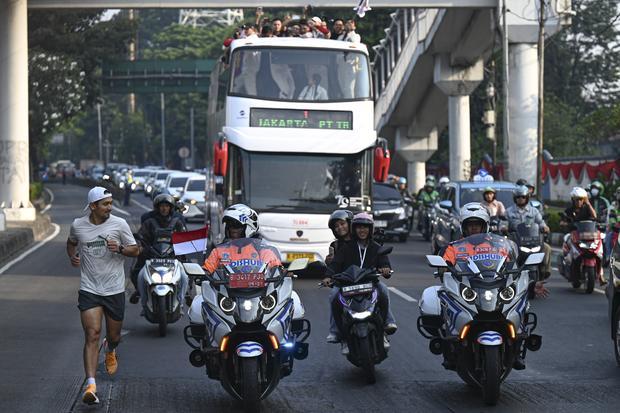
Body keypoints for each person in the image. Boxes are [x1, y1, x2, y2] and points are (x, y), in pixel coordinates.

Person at [66, 187, 139, 405]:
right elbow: (71, 243)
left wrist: (120, 249)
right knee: (92, 334)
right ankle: (90, 385)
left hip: (115, 289)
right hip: (90, 289)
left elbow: (136, 250)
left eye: (110, 203)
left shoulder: (119, 224)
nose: (110, 207)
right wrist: (73, 256)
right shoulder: (78, 225)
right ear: (93, 206)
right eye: (106, 204)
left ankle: (112, 348)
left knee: (113, 336)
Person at [441, 203, 529, 369]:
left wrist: (524, 269)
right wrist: (443, 267)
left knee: (522, 299)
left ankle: (518, 348)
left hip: (494, 286)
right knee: (441, 300)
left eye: (477, 224)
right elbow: (444, 265)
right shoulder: (453, 247)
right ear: (463, 227)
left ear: (485, 226)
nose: (474, 228)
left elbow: (513, 260)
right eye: (470, 225)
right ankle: (449, 347)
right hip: (467, 287)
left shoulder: (498, 245)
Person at [326, 213, 397, 352]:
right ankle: (337, 332)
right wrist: (328, 276)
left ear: (370, 230)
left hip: (370, 283)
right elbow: (335, 264)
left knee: (383, 289)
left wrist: (385, 269)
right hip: (347, 284)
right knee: (334, 295)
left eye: (365, 228)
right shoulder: (346, 247)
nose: (362, 230)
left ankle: (387, 325)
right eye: (358, 228)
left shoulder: (376, 246)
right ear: (354, 229)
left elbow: (384, 261)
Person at [129, 194, 188, 305]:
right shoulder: (149, 221)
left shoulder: (177, 222)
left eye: (167, 206)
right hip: (152, 256)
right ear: (157, 207)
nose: (164, 208)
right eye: (162, 206)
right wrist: (141, 245)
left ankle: (182, 299)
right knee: (138, 274)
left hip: (173, 257)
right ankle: (141, 294)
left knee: (185, 276)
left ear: (171, 207)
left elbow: (184, 237)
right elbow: (142, 237)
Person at [505, 186, 552, 285]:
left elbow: (540, 222)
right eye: (518, 197)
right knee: (506, 251)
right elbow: (504, 222)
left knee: (547, 248)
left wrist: (545, 227)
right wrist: (503, 227)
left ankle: (545, 271)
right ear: (515, 198)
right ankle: (508, 274)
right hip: (516, 240)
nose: (520, 199)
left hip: (532, 240)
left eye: (523, 197)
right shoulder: (509, 211)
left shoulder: (534, 211)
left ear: (527, 197)